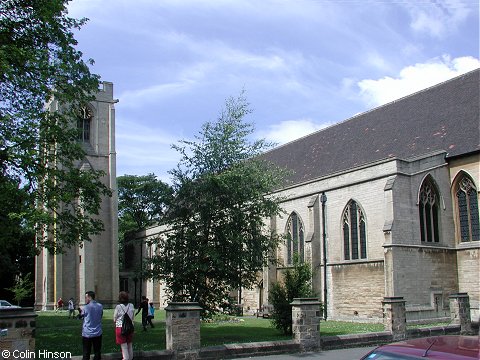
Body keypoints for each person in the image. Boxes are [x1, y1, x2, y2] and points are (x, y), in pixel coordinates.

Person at [81, 291, 103, 360]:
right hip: (98, 332)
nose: (86, 299)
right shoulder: (100, 306)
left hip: (87, 333)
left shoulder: (85, 307)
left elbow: (81, 316)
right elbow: (101, 315)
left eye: (86, 297)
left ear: (89, 297)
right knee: (97, 352)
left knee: (86, 353)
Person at [113, 291, 134, 360]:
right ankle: (130, 358)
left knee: (124, 346)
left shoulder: (118, 307)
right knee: (129, 344)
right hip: (130, 327)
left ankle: (125, 358)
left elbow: (115, 318)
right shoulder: (131, 305)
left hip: (120, 327)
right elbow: (132, 316)